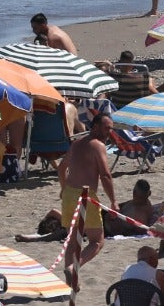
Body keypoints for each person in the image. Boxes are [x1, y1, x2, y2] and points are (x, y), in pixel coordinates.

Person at [58, 113, 118, 263]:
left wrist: (64, 188)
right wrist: (113, 202)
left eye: (111, 129)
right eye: (106, 129)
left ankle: (71, 282)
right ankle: (74, 268)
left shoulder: (77, 143)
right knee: (97, 241)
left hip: (69, 195)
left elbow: (61, 168)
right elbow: (105, 175)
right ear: (95, 127)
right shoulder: (98, 146)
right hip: (85, 196)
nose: (109, 132)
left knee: (72, 243)